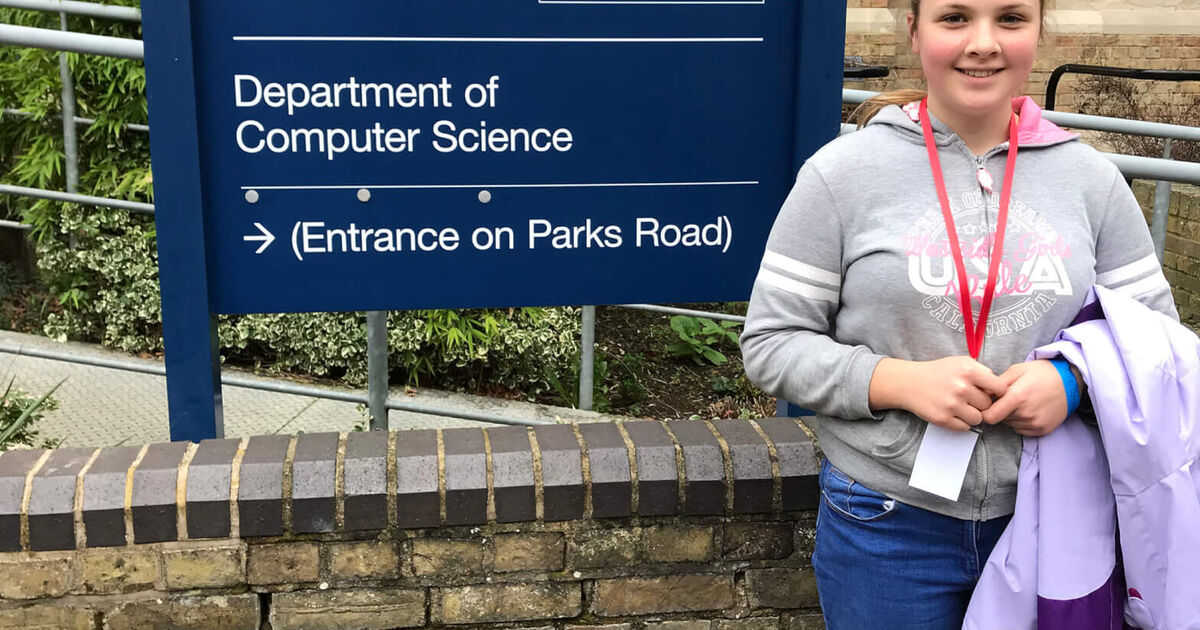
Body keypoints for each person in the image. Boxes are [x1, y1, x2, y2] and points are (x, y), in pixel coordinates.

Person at [740, 0, 1180, 628]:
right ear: (914, 30)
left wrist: (1073, 381)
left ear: (1039, 30)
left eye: (1010, 18)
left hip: (1055, 515)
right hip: (885, 524)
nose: (983, 42)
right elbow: (772, 344)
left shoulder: (1093, 183)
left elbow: (1157, 342)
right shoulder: (839, 177)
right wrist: (897, 381)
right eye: (954, 18)